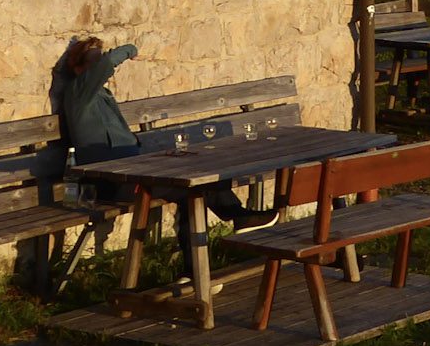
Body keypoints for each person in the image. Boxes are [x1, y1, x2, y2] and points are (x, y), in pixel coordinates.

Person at [53, 35, 275, 231]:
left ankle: (227, 230)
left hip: (131, 171)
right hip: (112, 181)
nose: (100, 69)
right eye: (94, 62)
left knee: (197, 178)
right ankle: (235, 219)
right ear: (78, 68)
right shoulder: (78, 93)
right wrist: (131, 49)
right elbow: (109, 62)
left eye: (98, 61)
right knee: (191, 190)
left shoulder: (100, 95)